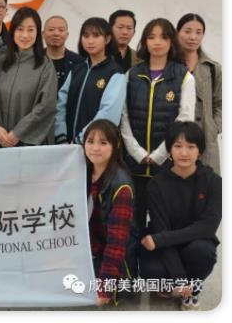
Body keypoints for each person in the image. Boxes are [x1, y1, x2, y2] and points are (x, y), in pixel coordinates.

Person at [120, 18, 195, 233]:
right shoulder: (132, 74)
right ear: (144, 41)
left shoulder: (184, 77)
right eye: (151, 37)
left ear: (172, 42)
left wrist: (160, 154)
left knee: (163, 225)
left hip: (167, 166)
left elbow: (184, 120)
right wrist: (137, 153)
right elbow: (124, 117)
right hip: (133, 164)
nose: (157, 42)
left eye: (163, 37)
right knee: (132, 224)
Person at [140, 121, 221, 311]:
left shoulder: (214, 182)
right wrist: (180, 278)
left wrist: (161, 239)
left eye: (191, 146)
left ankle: (192, 290)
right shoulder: (156, 184)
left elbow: (207, 227)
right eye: (178, 146)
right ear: (169, 150)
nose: (184, 153)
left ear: (199, 151)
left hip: (194, 243)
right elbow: (161, 228)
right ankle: (176, 286)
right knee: (150, 269)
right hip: (165, 246)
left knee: (203, 252)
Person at [83, 119, 137, 306]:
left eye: (103, 142)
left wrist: (105, 287)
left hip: (113, 263)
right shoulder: (83, 172)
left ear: (115, 146)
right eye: (90, 141)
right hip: (88, 251)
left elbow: (117, 242)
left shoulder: (122, 186)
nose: (95, 148)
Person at [0, 7, 57, 147]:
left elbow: (46, 106)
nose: (25, 35)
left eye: (31, 30)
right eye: (20, 29)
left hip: (29, 145)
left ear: (38, 33)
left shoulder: (45, 64)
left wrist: (18, 133)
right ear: (12, 31)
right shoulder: (1, 59)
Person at [55, 17, 126, 144]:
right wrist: (61, 136)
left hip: (95, 146)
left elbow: (109, 113)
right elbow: (60, 105)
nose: (90, 41)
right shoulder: (76, 70)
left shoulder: (115, 73)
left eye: (96, 35)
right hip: (66, 145)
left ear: (107, 39)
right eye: (86, 36)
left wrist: (83, 139)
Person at [176, 13, 222, 174]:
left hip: (206, 141)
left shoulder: (212, 68)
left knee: (207, 183)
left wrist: (214, 127)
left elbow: (221, 102)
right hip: (176, 138)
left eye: (198, 32)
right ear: (177, 32)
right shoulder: (169, 66)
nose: (193, 37)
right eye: (187, 31)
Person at [42, 15, 83, 91]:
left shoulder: (79, 62)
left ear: (67, 35)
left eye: (61, 30)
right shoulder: (34, 59)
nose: (56, 33)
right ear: (43, 34)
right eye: (51, 30)